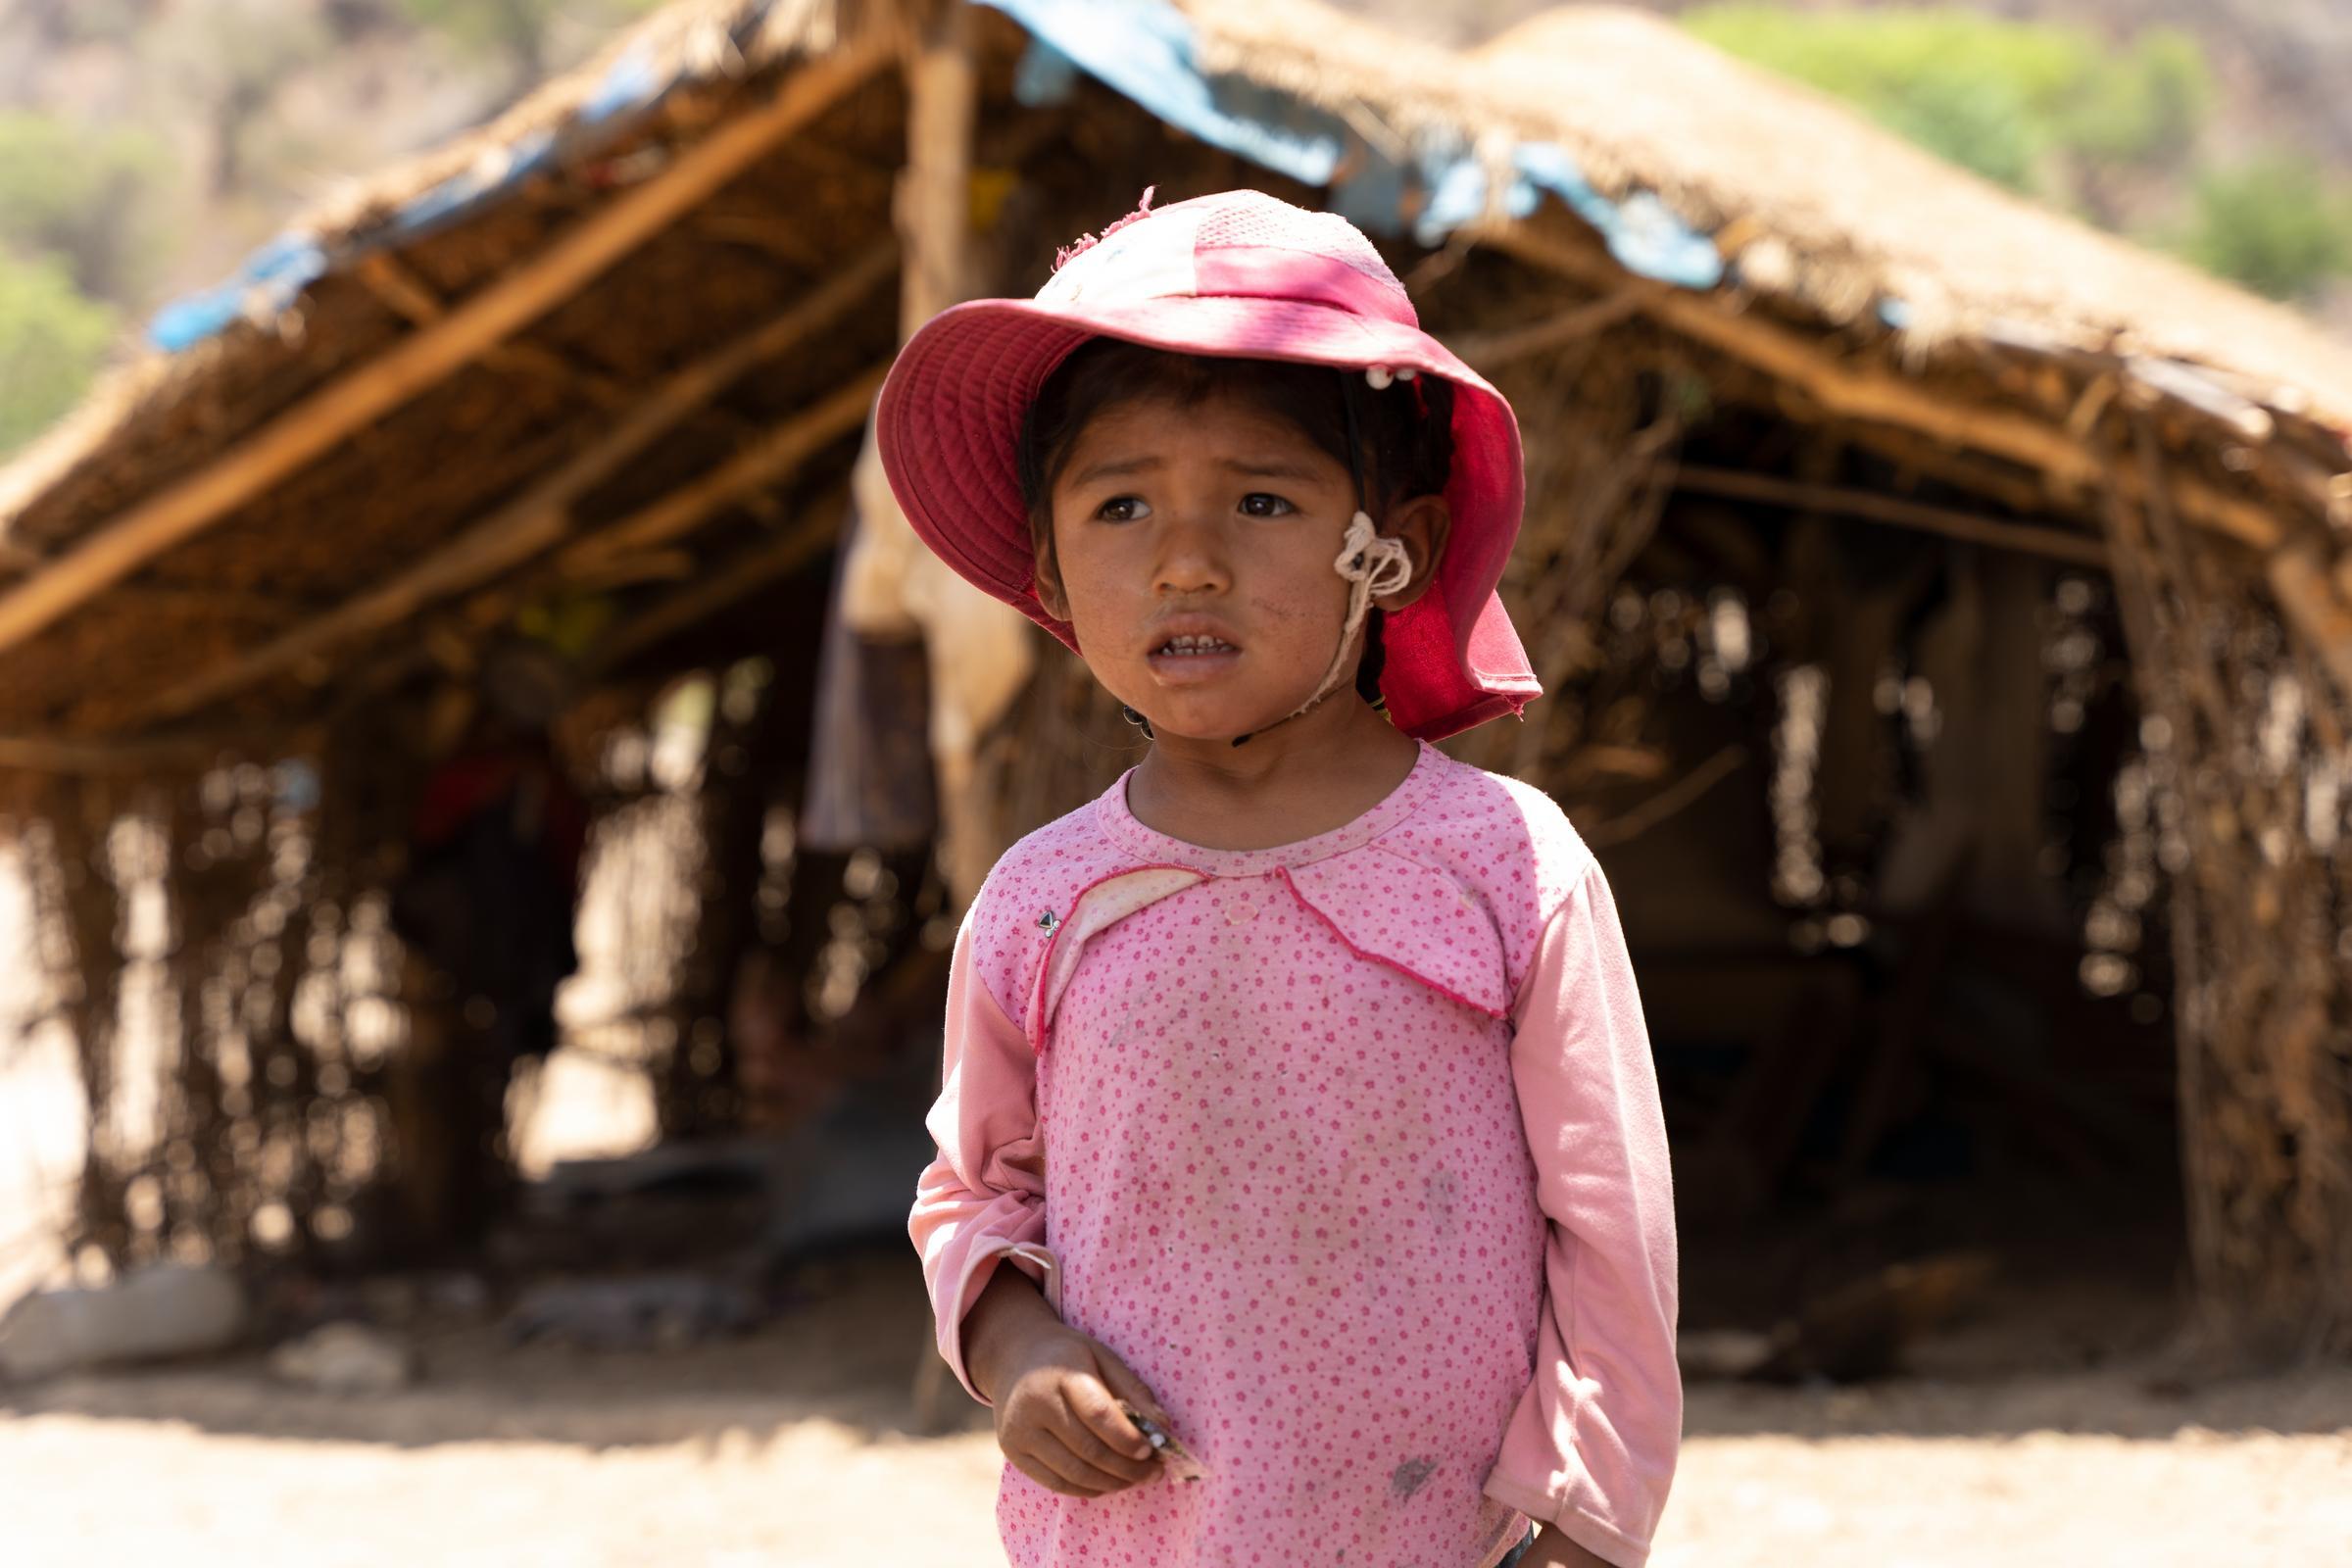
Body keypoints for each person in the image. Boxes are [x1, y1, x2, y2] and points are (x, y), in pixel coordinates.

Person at [894, 189, 1681, 1568]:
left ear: (1399, 552)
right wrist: (1015, 1349)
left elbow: (1611, 1239)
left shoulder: (1503, 866)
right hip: (1132, 1540)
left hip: (1452, 1540)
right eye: (1121, 505)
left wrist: (1583, 1519)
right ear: (1053, 574)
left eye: (1262, 500)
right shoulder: (1042, 897)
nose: (1185, 561)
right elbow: (973, 1190)